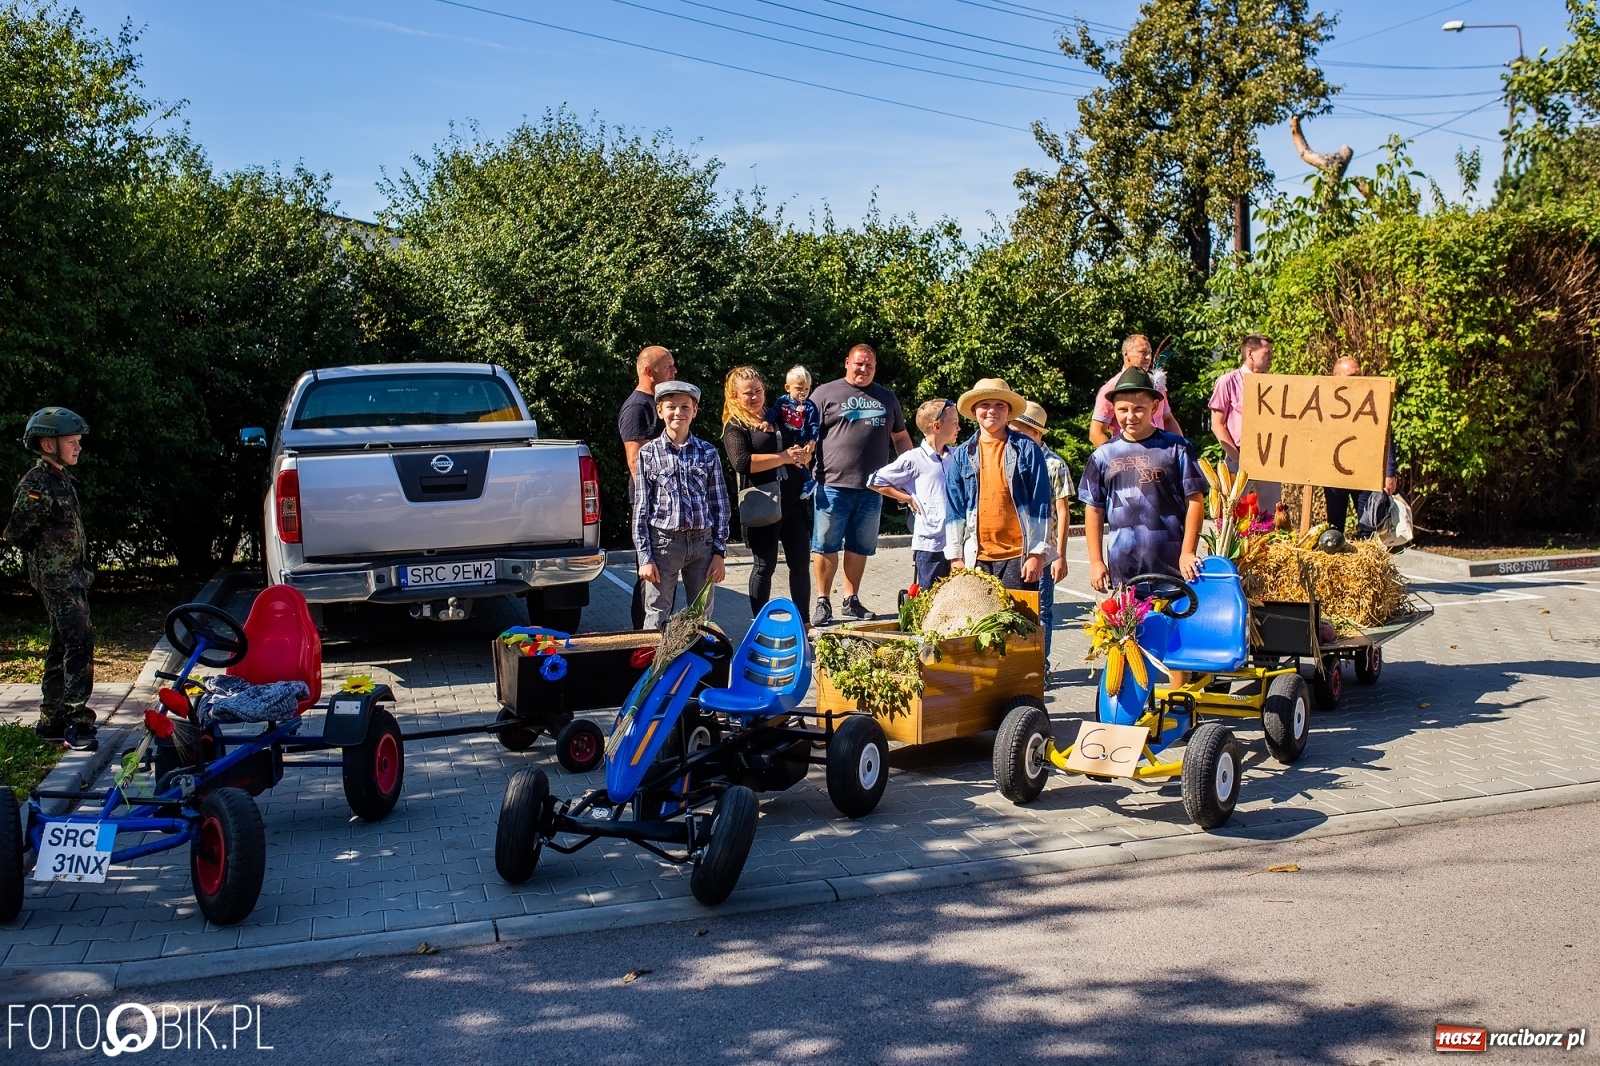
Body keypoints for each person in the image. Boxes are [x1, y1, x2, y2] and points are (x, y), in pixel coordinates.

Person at [4, 407, 97, 751]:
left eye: (78, 442)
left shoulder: (60, 479)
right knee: (79, 643)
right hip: (57, 579)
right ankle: (76, 721)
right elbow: (16, 532)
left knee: (63, 644)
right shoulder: (36, 484)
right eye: (71, 442)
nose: (78, 447)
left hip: (71, 577)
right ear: (47, 444)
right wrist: (47, 561)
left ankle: (51, 719)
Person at [809, 344, 913, 626]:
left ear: (875, 367)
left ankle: (850, 600)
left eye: (869, 365)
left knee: (860, 546)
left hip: (874, 488)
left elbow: (901, 437)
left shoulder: (886, 398)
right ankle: (822, 601)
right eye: (858, 364)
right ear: (847, 363)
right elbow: (807, 436)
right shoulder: (824, 394)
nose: (863, 369)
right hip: (831, 484)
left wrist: (910, 474)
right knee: (826, 545)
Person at [1080, 366, 1208, 595]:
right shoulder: (1103, 455)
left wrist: (1188, 551)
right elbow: (1094, 509)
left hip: (1174, 568)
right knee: (1131, 631)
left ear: (1154, 407)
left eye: (1139, 409)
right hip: (1124, 570)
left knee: (1173, 629)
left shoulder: (1177, 448)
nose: (1130, 416)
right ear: (1113, 410)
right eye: (1122, 409)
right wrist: (1096, 561)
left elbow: (1195, 501)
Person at [632, 381, 728, 631]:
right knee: (656, 612)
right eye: (671, 407)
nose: (678, 413)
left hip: (703, 546)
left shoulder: (708, 453)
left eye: (685, 407)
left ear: (694, 411)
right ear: (660, 410)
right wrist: (644, 557)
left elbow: (719, 504)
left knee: (701, 617)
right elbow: (641, 507)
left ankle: (697, 667)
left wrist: (719, 552)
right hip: (664, 545)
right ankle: (655, 667)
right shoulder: (648, 454)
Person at [943, 378, 1052, 592]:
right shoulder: (961, 456)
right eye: (985, 405)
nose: (992, 410)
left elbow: (1040, 502)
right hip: (976, 557)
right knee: (980, 622)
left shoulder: (1028, 449)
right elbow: (954, 510)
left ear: (1008, 411)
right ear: (974, 410)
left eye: (999, 405)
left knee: (1019, 622)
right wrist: (955, 557)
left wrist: (1037, 553)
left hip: (1018, 555)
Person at [721, 366, 812, 615]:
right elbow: (742, 462)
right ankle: (758, 623)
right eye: (747, 393)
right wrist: (782, 457)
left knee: (801, 564)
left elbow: (800, 438)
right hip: (762, 503)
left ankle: (804, 622)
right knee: (764, 566)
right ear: (735, 396)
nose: (755, 397)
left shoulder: (779, 415)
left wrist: (806, 452)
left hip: (793, 502)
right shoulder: (735, 425)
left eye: (758, 391)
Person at [868, 398, 960, 592]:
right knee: (929, 600)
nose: (958, 427)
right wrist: (906, 497)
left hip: (956, 542)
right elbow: (875, 481)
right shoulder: (913, 458)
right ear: (936, 426)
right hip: (930, 544)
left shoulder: (955, 455)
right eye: (954, 423)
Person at [1007, 401, 1071, 666]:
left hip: (1043, 549)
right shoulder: (1010, 457)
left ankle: (1040, 665)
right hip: (1010, 548)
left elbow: (1063, 510)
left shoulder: (1054, 464)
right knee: (1012, 608)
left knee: (1042, 609)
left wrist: (1061, 556)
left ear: (1036, 434)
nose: (1015, 436)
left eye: (1021, 431)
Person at [618, 345, 677, 629]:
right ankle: (642, 636)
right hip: (651, 505)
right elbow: (635, 460)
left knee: (665, 573)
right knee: (650, 572)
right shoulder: (637, 407)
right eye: (668, 366)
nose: (674, 371)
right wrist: (655, 501)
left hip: (669, 505)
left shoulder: (658, 403)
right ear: (648, 370)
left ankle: (659, 631)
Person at [1322, 355, 1399, 537]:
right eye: (1351, 375)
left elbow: (1386, 438)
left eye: (1359, 373)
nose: (1358, 378)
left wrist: (1390, 473)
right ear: (1337, 377)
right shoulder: (1324, 404)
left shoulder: (1373, 400)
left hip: (1365, 474)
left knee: (1369, 526)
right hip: (1334, 477)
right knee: (1334, 527)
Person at [1208, 333, 1282, 517]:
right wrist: (1235, 456)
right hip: (1239, 453)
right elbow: (1217, 424)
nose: (1271, 357)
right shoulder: (1228, 382)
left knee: (1272, 513)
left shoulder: (1275, 384)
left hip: (1268, 456)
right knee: (1229, 512)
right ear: (1250, 353)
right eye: (1267, 353)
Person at [1089, 335, 1184, 446]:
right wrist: (1115, 459)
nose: (1148, 357)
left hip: (1161, 453)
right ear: (1126, 354)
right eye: (1143, 352)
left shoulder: (1157, 383)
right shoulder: (1112, 388)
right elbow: (1096, 433)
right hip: (1129, 454)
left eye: (1150, 353)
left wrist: (1182, 449)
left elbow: (1168, 420)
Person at [772, 366, 820, 501]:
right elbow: (774, 412)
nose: (803, 392)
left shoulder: (810, 406)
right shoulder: (782, 401)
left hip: (801, 439)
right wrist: (765, 422)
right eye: (799, 388)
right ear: (788, 388)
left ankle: (808, 481)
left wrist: (812, 441)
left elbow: (814, 425)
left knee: (797, 460)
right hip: (785, 438)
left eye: (806, 389)